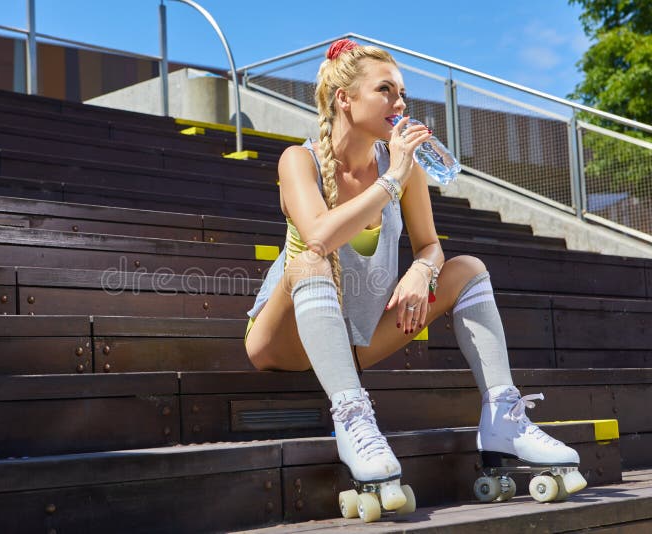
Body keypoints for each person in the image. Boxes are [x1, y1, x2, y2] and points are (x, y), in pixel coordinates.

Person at [243, 38, 586, 512]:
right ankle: (354, 420)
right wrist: (392, 178)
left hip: (356, 337)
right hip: (283, 338)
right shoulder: (297, 160)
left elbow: (431, 245)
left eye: (402, 92)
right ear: (345, 99)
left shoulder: (402, 168)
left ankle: (504, 418)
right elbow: (319, 235)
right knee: (310, 258)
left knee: (468, 269)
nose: (400, 103)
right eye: (386, 90)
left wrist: (422, 271)